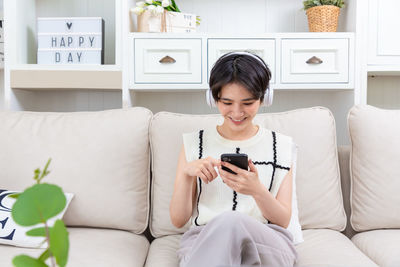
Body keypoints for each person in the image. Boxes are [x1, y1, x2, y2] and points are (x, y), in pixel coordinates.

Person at [169, 51, 298, 267]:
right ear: (213, 98)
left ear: (264, 98)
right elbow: (178, 220)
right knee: (226, 227)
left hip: (266, 241)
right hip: (205, 241)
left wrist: (257, 190)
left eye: (247, 103)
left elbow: (283, 220)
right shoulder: (194, 144)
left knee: (231, 220)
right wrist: (187, 175)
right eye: (227, 102)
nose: (237, 112)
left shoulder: (282, 146)